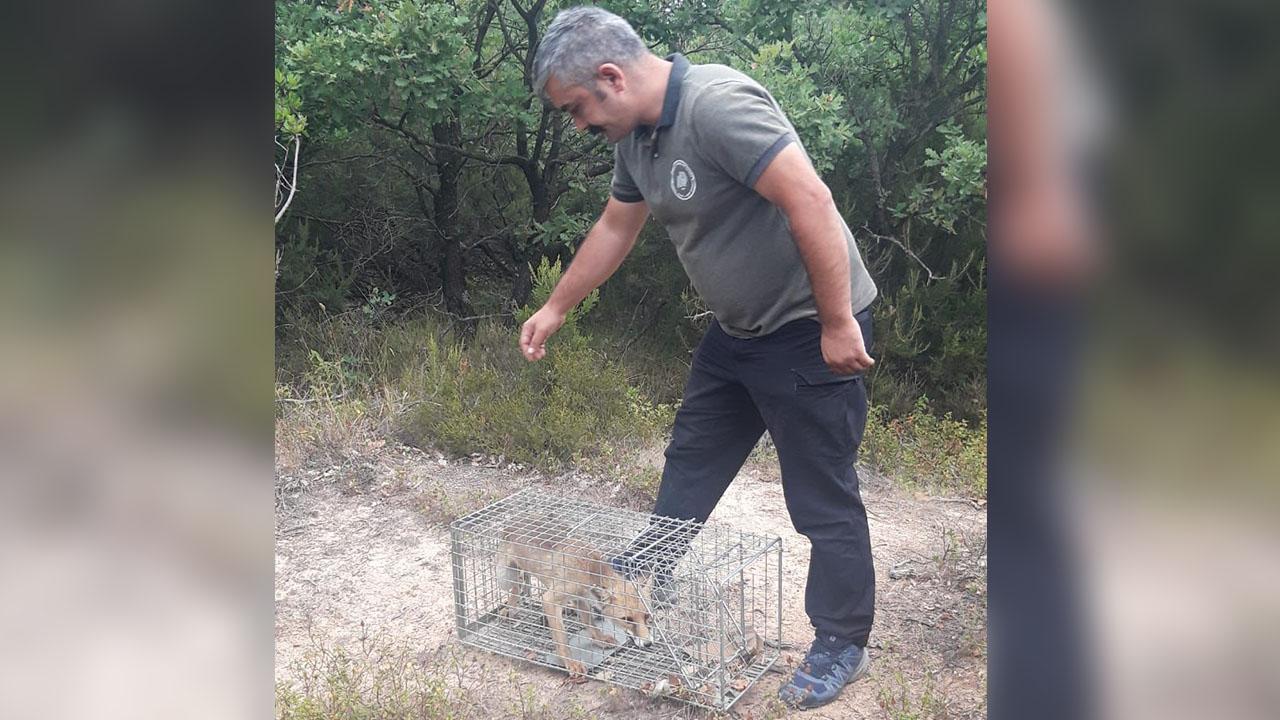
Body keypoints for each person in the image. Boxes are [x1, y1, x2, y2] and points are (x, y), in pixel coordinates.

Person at [518, 6, 879, 709]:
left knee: (821, 495)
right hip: (736, 332)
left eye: (576, 109)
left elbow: (810, 199)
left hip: (807, 328)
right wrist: (556, 306)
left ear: (611, 77)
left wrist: (838, 322)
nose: (578, 125)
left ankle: (842, 640)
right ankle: (643, 576)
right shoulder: (637, 138)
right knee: (691, 457)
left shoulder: (717, 105)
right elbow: (616, 226)